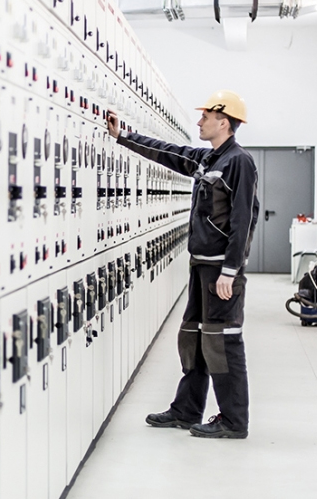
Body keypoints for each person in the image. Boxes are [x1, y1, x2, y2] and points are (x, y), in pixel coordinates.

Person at [107, 90, 259, 439]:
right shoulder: (210, 160)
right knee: (193, 338)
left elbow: (243, 220)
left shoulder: (239, 162)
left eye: (205, 117)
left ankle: (234, 420)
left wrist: (230, 271)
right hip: (200, 266)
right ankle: (186, 409)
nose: (199, 121)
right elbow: (170, 154)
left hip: (221, 271)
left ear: (224, 121)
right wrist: (123, 137)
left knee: (223, 343)